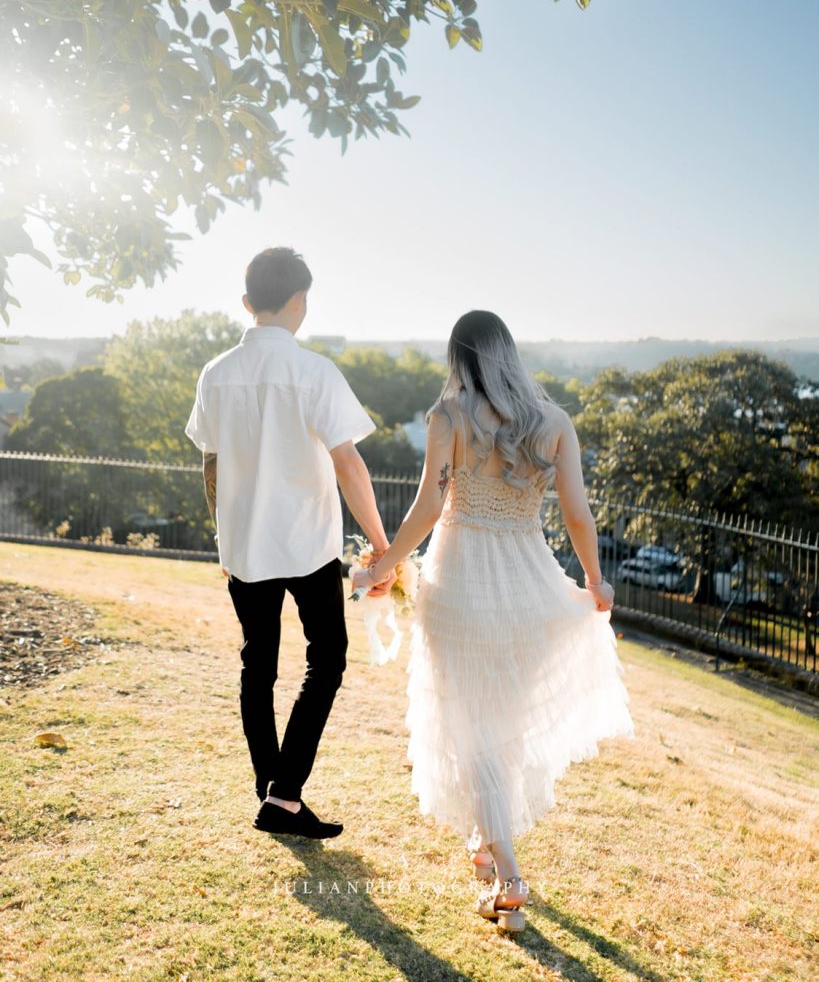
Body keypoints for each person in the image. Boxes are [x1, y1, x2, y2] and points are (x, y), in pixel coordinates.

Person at [351, 310, 636, 932]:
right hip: (529, 585)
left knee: (472, 724)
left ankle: (508, 876)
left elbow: (429, 505)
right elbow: (579, 517)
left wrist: (385, 566)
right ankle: (487, 843)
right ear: (508, 352)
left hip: (460, 585)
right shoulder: (553, 421)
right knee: (497, 721)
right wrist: (593, 581)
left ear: (459, 357)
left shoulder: (447, 416)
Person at [186, 246, 395, 840]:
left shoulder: (215, 372)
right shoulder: (315, 371)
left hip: (245, 547)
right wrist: (382, 546)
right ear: (301, 300)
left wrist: (224, 538)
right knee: (325, 661)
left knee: (258, 665)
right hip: (309, 545)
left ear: (247, 303)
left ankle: (272, 790)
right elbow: (349, 463)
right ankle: (282, 795)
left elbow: (211, 463)